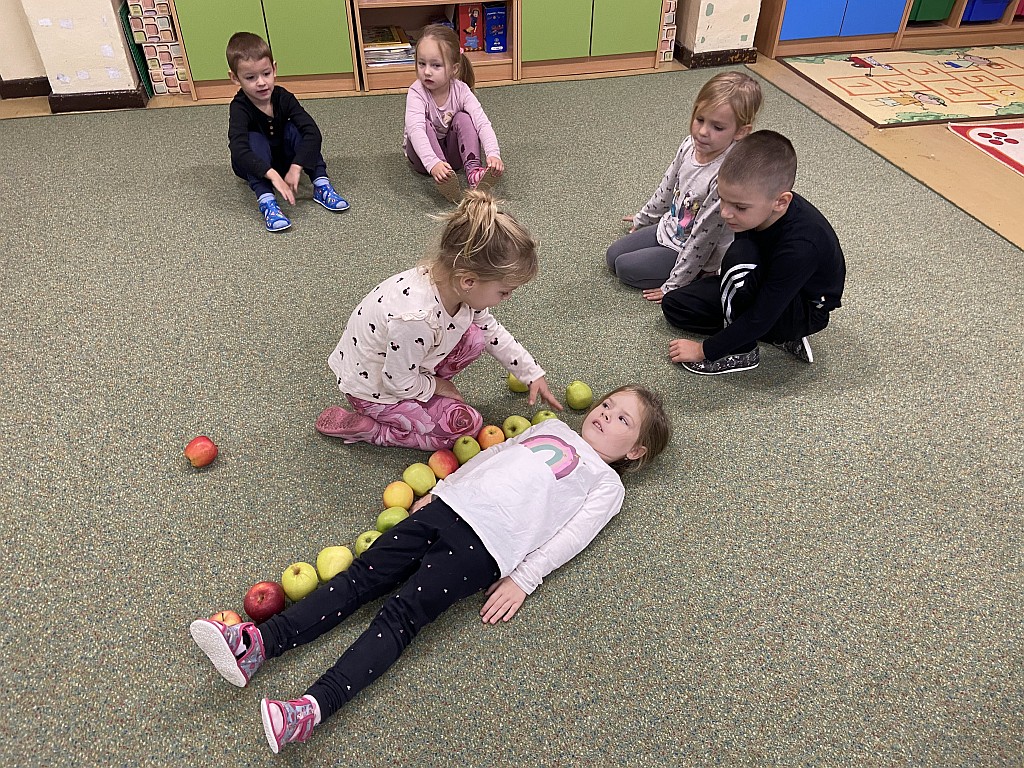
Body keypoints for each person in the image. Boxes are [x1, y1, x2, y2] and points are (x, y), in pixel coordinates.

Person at [189, 385, 672, 754]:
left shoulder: (606, 485)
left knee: (400, 616)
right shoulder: (556, 429)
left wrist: (524, 579)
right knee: (359, 577)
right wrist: (439, 492)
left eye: (622, 418)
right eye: (607, 404)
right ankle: (258, 644)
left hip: (485, 549)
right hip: (446, 508)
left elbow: (573, 535)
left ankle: (310, 711)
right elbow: (494, 455)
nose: (605, 413)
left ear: (635, 452)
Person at [314, 190, 560, 450]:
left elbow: (491, 331)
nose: (508, 298)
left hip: (403, 363)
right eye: (504, 291)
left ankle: (421, 389)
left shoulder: (452, 285)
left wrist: (531, 373)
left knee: (475, 337)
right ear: (468, 281)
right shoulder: (416, 320)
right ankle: (375, 430)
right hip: (377, 389)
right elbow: (396, 382)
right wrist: (437, 385)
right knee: (464, 426)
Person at [661, 130, 846, 375]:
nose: (725, 212)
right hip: (763, 280)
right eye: (723, 199)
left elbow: (762, 313)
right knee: (676, 306)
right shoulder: (758, 204)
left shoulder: (801, 246)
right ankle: (771, 335)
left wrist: (705, 350)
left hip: (802, 308)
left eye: (739, 207)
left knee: (737, 263)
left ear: (781, 202)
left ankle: (743, 351)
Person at [606, 71, 762, 295]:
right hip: (672, 227)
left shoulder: (725, 175)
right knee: (612, 256)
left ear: (741, 131)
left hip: (694, 251)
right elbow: (668, 186)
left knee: (624, 268)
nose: (703, 132)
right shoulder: (690, 144)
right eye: (700, 119)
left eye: (718, 127)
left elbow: (704, 238)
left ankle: (701, 276)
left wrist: (675, 285)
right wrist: (645, 217)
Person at [226, 32, 350, 233]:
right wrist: (272, 175)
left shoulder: (284, 97)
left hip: (286, 159)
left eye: (266, 73)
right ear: (235, 78)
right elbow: (238, 150)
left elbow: (313, 133)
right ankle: (267, 201)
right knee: (254, 139)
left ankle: (321, 184)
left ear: (274, 69)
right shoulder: (239, 107)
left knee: (296, 129)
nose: (261, 82)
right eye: (250, 77)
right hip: (256, 163)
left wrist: (296, 166)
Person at [404, 24, 504, 203]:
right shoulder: (416, 92)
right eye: (421, 63)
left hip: (453, 154)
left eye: (436, 65)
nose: (427, 71)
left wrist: (493, 153)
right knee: (424, 125)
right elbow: (415, 131)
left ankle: (474, 171)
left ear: (454, 68)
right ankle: (445, 175)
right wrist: (433, 163)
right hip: (422, 160)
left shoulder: (461, 90)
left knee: (465, 118)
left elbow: (482, 123)